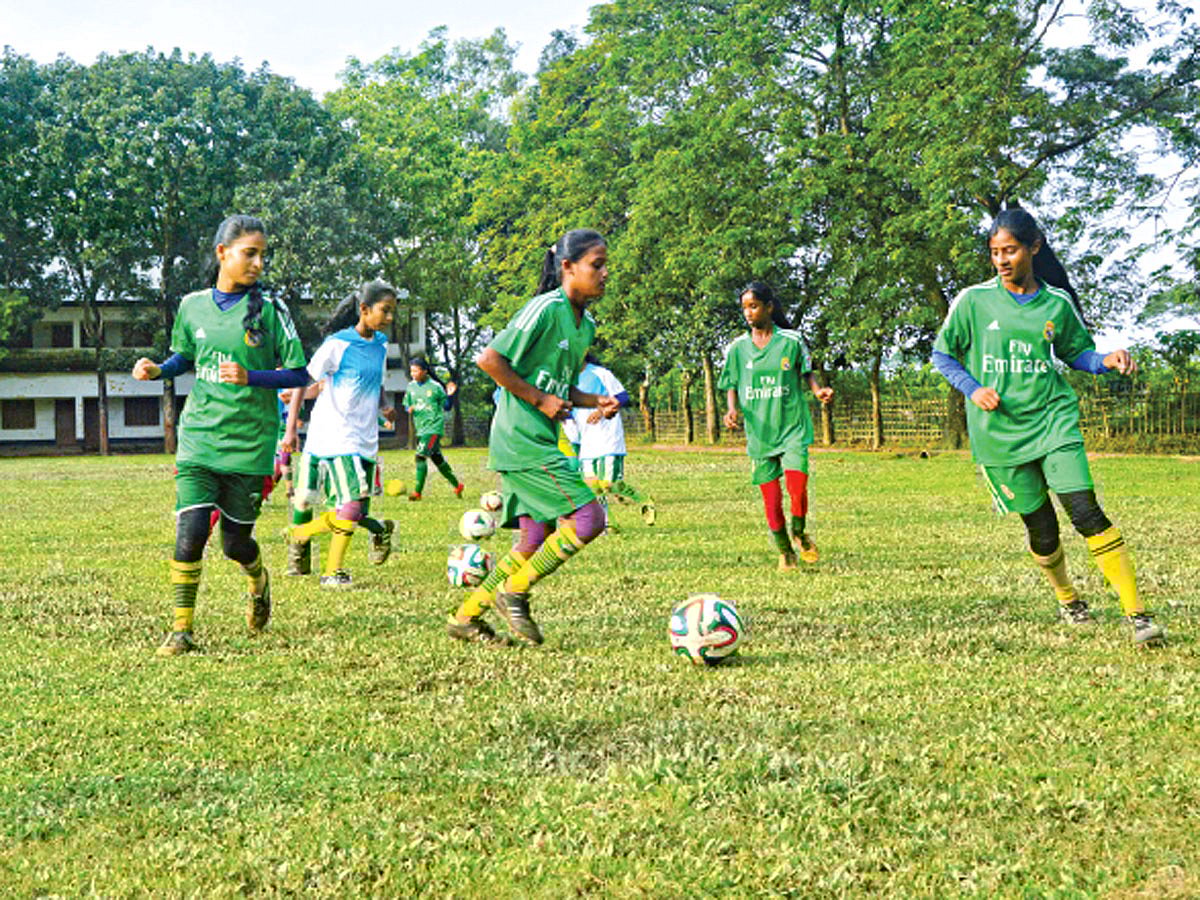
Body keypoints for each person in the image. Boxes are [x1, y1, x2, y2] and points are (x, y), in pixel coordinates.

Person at [933, 207, 1163, 645]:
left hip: (1053, 421)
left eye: (1011, 250)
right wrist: (974, 388)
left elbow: (1078, 353)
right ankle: (1068, 597)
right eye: (995, 252)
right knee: (1042, 530)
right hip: (999, 434)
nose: (1002, 260)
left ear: (1033, 248)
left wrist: (1105, 361)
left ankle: (1137, 614)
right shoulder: (973, 302)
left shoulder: (1056, 303)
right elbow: (943, 355)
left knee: (1085, 511)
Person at [132, 214, 308, 656]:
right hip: (199, 438)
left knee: (235, 544)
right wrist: (158, 370)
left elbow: (299, 371)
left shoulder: (272, 310)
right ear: (222, 254)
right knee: (190, 532)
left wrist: (251, 376)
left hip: (250, 443)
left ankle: (258, 579)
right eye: (250, 253)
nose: (258, 263)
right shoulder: (192, 305)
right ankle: (181, 631)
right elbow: (183, 357)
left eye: (262, 255)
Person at [448, 228, 620, 644]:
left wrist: (594, 400)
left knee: (533, 539)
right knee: (589, 518)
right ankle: (515, 589)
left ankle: (465, 617)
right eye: (596, 265)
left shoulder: (586, 325)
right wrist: (540, 400)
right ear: (567, 267)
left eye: (605, 265)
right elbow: (489, 359)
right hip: (520, 437)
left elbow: (558, 389)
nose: (604, 274)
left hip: (538, 437)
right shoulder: (544, 309)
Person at [281, 280, 397, 588]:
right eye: (384, 311)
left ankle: (303, 535)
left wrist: (385, 406)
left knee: (352, 509)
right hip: (333, 435)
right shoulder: (337, 344)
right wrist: (291, 429)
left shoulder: (381, 344)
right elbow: (302, 382)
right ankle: (329, 570)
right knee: (319, 502)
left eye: (392, 312)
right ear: (364, 309)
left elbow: (378, 382)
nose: (389, 318)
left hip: (365, 439)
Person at [720, 281, 833, 570]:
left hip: (792, 428)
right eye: (744, 307)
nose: (748, 312)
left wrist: (818, 391)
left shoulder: (792, 341)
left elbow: (807, 372)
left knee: (797, 489)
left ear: (769, 307)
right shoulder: (737, 349)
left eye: (754, 306)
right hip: (760, 434)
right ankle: (785, 552)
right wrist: (731, 411)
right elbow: (731, 383)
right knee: (771, 501)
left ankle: (799, 532)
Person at [570, 354, 655, 532]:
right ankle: (607, 523)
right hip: (587, 443)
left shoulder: (601, 374)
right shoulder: (566, 379)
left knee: (609, 484)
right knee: (594, 487)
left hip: (608, 439)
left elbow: (623, 397)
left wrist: (601, 411)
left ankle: (644, 499)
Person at [402, 358, 464, 501]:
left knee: (420, 456)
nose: (413, 374)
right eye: (411, 371)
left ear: (424, 371)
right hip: (421, 428)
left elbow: (447, 407)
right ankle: (457, 485)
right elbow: (406, 405)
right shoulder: (411, 387)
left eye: (416, 370)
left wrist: (450, 394)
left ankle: (417, 493)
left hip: (433, 428)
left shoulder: (435, 387)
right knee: (437, 459)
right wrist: (408, 409)